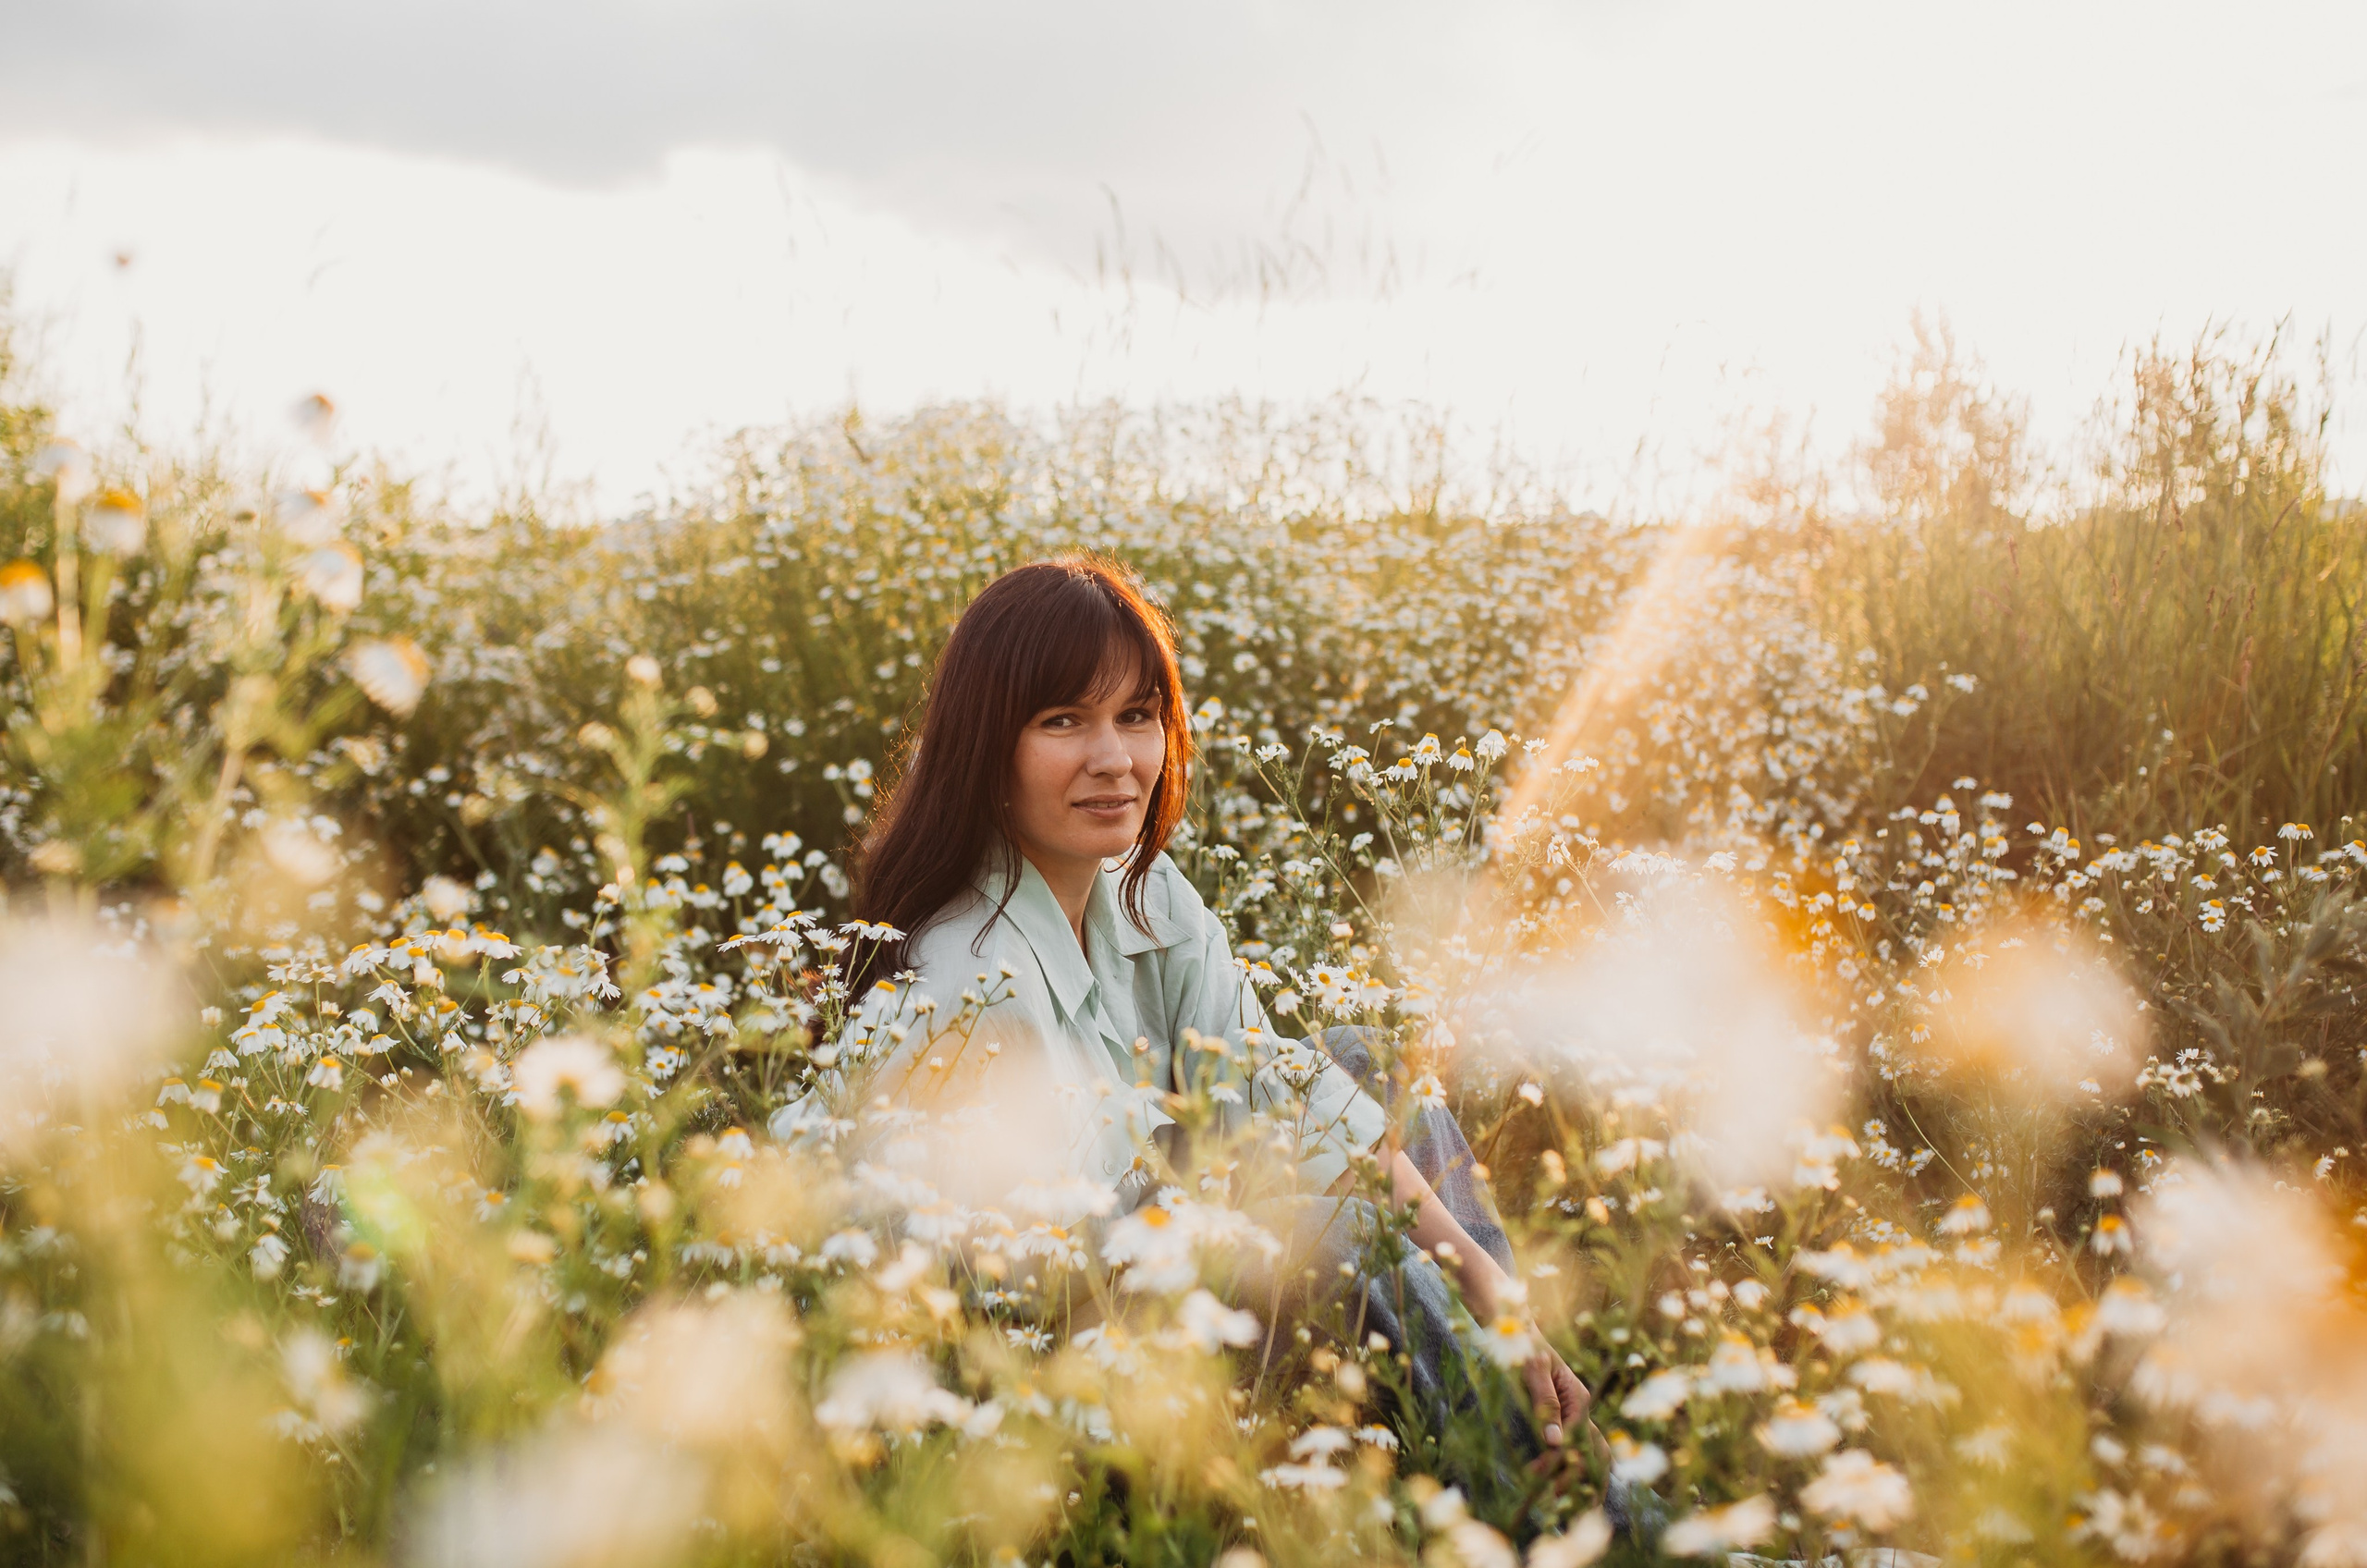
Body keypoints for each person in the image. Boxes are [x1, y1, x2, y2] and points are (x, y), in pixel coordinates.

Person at [779, 554, 1590, 1460]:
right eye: (1062, 721)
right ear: (985, 744)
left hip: (1151, 1248)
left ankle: (1518, 1415)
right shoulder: (970, 982)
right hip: (1037, 1366)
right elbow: (1023, 1295)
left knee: (1362, 1065)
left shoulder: (1142, 892)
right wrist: (1247, 1217)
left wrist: (1496, 1297)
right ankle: (1538, 1485)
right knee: (1339, 1230)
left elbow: (1292, 1090)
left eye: (1137, 715)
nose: (1115, 759)